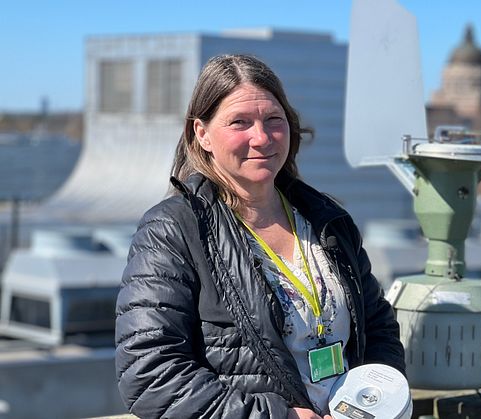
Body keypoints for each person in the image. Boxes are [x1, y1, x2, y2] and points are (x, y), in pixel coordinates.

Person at [115, 54, 405, 419]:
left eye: (273, 120)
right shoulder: (173, 231)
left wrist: (374, 400)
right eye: (240, 122)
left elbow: (378, 324)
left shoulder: (328, 221)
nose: (262, 137)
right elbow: (150, 375)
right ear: (201, 133)